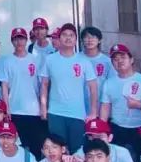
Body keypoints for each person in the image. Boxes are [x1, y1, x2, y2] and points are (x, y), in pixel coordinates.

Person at [39, 23, 98, 153]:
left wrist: (93, 112)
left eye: (71, 35)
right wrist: (43, 108)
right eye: (65, 35)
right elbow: (44, 84)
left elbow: (93, 87)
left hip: (78, 114)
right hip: (56, 113)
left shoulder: (84, 61)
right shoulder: (50, 59)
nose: (68, 38)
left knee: (78, 151)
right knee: (58, 151)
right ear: (59, 38)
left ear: (76, 39)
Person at [99, 44, 141, 162]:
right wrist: (102, 130)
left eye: (123, 57)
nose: (119, 61)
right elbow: (105, 107)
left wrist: (139, 105)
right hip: (118, 128)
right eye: (115, 59)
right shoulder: (108, 83)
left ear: (131, 60)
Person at [0, 27, 46, 157]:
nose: (19, 42)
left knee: (36, 147)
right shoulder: (7, 61)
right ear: (12, 41)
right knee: (18, 147)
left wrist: (43, 107)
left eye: (22, 38)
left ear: (27, 40)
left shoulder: (35, 59)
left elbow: (42, 85)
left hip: (34, 111)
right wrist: (6, 108)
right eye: (16, 39)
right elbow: (4, 86)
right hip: (15, 111)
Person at [72, 118, 138, 162]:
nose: (95, 140)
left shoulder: (122, 152)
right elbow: (72, 160)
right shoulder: (84, 150)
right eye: (91, 137)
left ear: (110, 137)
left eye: (99, 136)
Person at [80, 27, 113, 91]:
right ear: (82, 40)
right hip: (80, 97)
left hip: (100, 96)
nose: (90, 40)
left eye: (93, 37)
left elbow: (111, 82)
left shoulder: (107, 61)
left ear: (99, 40)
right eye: (86, 37)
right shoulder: (76, 59)